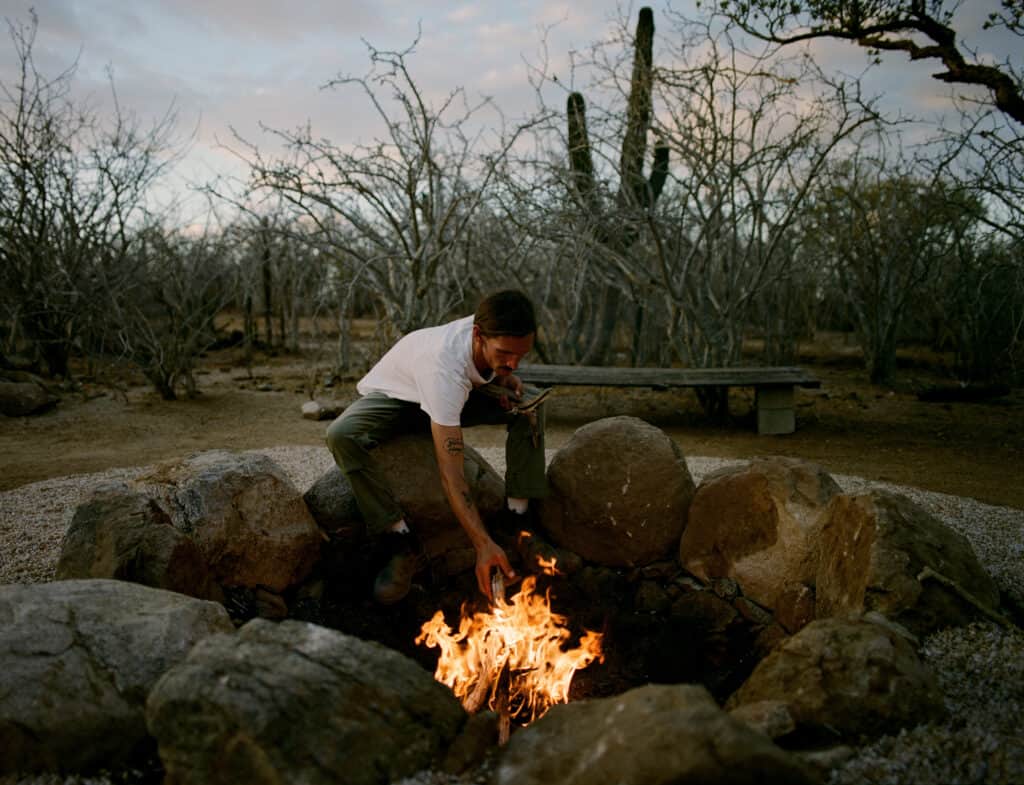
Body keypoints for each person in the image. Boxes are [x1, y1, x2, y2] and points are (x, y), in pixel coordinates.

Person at [326, 290, 547, 605]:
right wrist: (482, 545)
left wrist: (499, 377)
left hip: (452, 395)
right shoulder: (444, 368)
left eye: (520, 355)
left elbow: (486, 368)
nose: (513, 362)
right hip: (399, 398)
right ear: (478, 335)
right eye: (504, 354)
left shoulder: (490, 325)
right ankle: (399, 540)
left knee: (531, 405)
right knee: (341, 434)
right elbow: (452, 477)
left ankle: (518, 523)